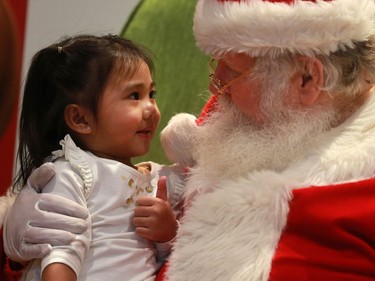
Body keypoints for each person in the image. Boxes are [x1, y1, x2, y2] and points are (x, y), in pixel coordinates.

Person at [4, 0, 375, 280]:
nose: (215, 89)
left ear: (308, 80)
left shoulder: (360, 186)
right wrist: (12, 241)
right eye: (217, 66)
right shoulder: (236, 119)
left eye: (231, 73)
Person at [5, 34, 184, 281]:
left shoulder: (160, 179)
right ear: (81, 119)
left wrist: (168, 234)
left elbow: (175, 261)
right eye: (134, 96)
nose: (151, 108)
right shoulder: (72, 171)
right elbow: (61, 250)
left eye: (151, 94)